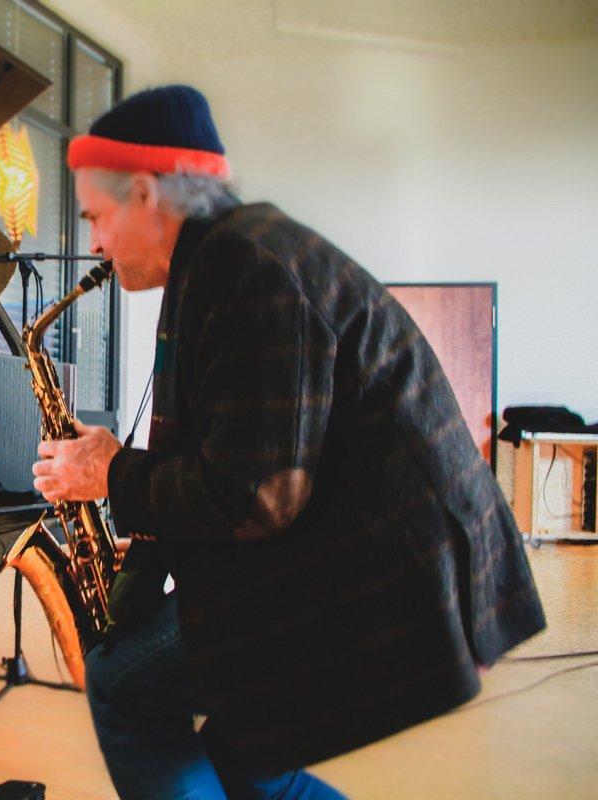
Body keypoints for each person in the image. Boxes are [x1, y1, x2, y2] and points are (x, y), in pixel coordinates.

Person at [31, 86, 546, 799]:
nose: (93, 241)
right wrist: (133, 491)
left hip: (397, 584)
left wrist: (114, 474)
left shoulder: (241, 269)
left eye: (96, 216)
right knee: (247, 755)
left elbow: (256, 493)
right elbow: (257, 463)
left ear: (146, 194)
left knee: (123, 686)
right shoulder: (237, 250)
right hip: (390, 562)